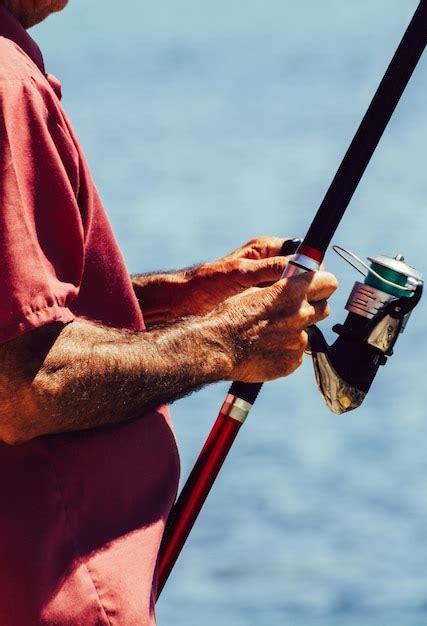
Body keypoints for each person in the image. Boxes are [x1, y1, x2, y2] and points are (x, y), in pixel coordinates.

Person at [0, 1, 338, 624]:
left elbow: (18, 318)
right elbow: (21, 386)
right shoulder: (6, 83)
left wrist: (184, 295)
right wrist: (228, 341)